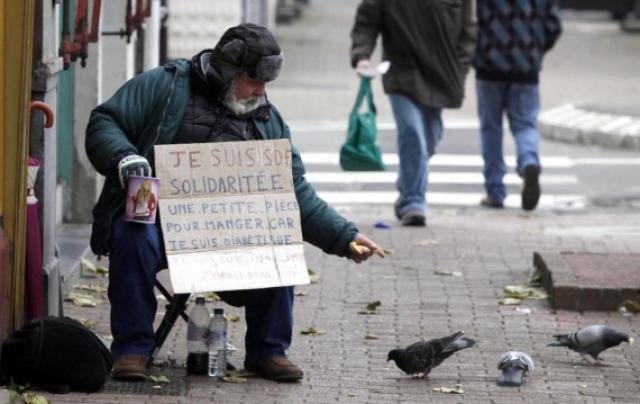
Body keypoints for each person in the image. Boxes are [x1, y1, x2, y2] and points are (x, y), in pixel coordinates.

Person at [85, 23, 384, 383]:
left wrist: (344, 237)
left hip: (228, 236)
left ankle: (268, 351)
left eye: (265, 82)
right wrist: (124, 158)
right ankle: (132, 349)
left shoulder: (267, 120)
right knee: (133, 232)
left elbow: (294, 192)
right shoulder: (164, 87)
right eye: (253, 80)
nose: (261, 90)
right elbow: (105, 121)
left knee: (278, 233)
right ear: (227, 73)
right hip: (160, 228)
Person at [350, 0, 476, 226]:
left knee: (429, 139)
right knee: (412, 134)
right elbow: (367, 20)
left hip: (442, 75)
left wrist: (460, 67)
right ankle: (413, 201)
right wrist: (362, 55)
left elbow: (469, 31)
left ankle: (407, 186)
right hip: (402, 72)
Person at [473, 0, 562, 211]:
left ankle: (495, 191)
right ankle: (528, 161)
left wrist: (476, 51)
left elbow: (471, 20)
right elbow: (553, 25)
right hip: (526, 67)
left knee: (491, 129)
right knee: (525, 124)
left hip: (489, 65)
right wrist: (535, 49)